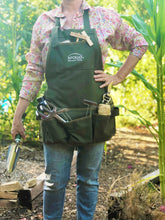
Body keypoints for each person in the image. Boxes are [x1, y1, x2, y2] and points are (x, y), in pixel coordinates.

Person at [11, 0, 148, 219]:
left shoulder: (103, 17)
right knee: (54, 182)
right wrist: (18, 115)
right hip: (54, 115)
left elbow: (140, 43)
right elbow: (34, 71)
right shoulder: (44, 22)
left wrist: (118, 76)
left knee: (89, 181)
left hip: (94, 115)